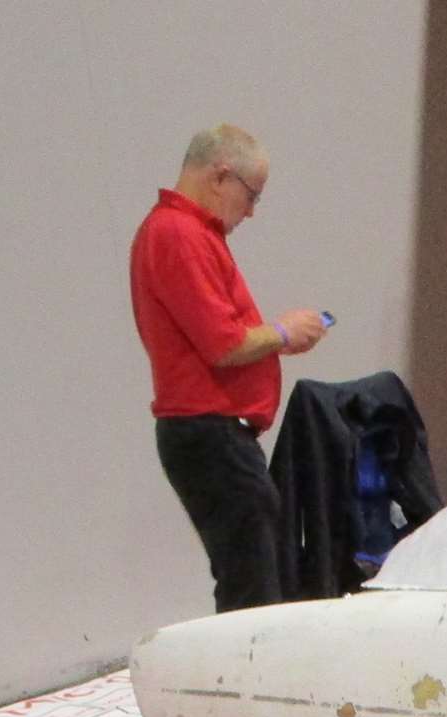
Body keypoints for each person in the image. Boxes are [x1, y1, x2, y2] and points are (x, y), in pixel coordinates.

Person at [130, 124, 331, 611]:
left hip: (214, 433)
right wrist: (282, 332)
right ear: (220, 176)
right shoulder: (178, 234)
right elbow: (223, 344)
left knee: (255, 574)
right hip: (208, 432)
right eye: (252, 195)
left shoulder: (188, 232)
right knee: (252, 587)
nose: (252, 210)